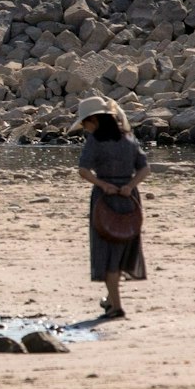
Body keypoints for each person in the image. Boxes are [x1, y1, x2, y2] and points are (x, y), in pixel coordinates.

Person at [74, 97, 148, 319]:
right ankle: (110, 300)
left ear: (93, 120)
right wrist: (129, 186)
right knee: (121, 249)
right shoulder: (128, 139)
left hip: (104, 200)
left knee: (107, 253)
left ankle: (116, 307)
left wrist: (103, 184)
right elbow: (145, 169)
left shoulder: (95, 141)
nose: (84, 128)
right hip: (129, 198)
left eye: (85, 123)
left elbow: (83, 170)